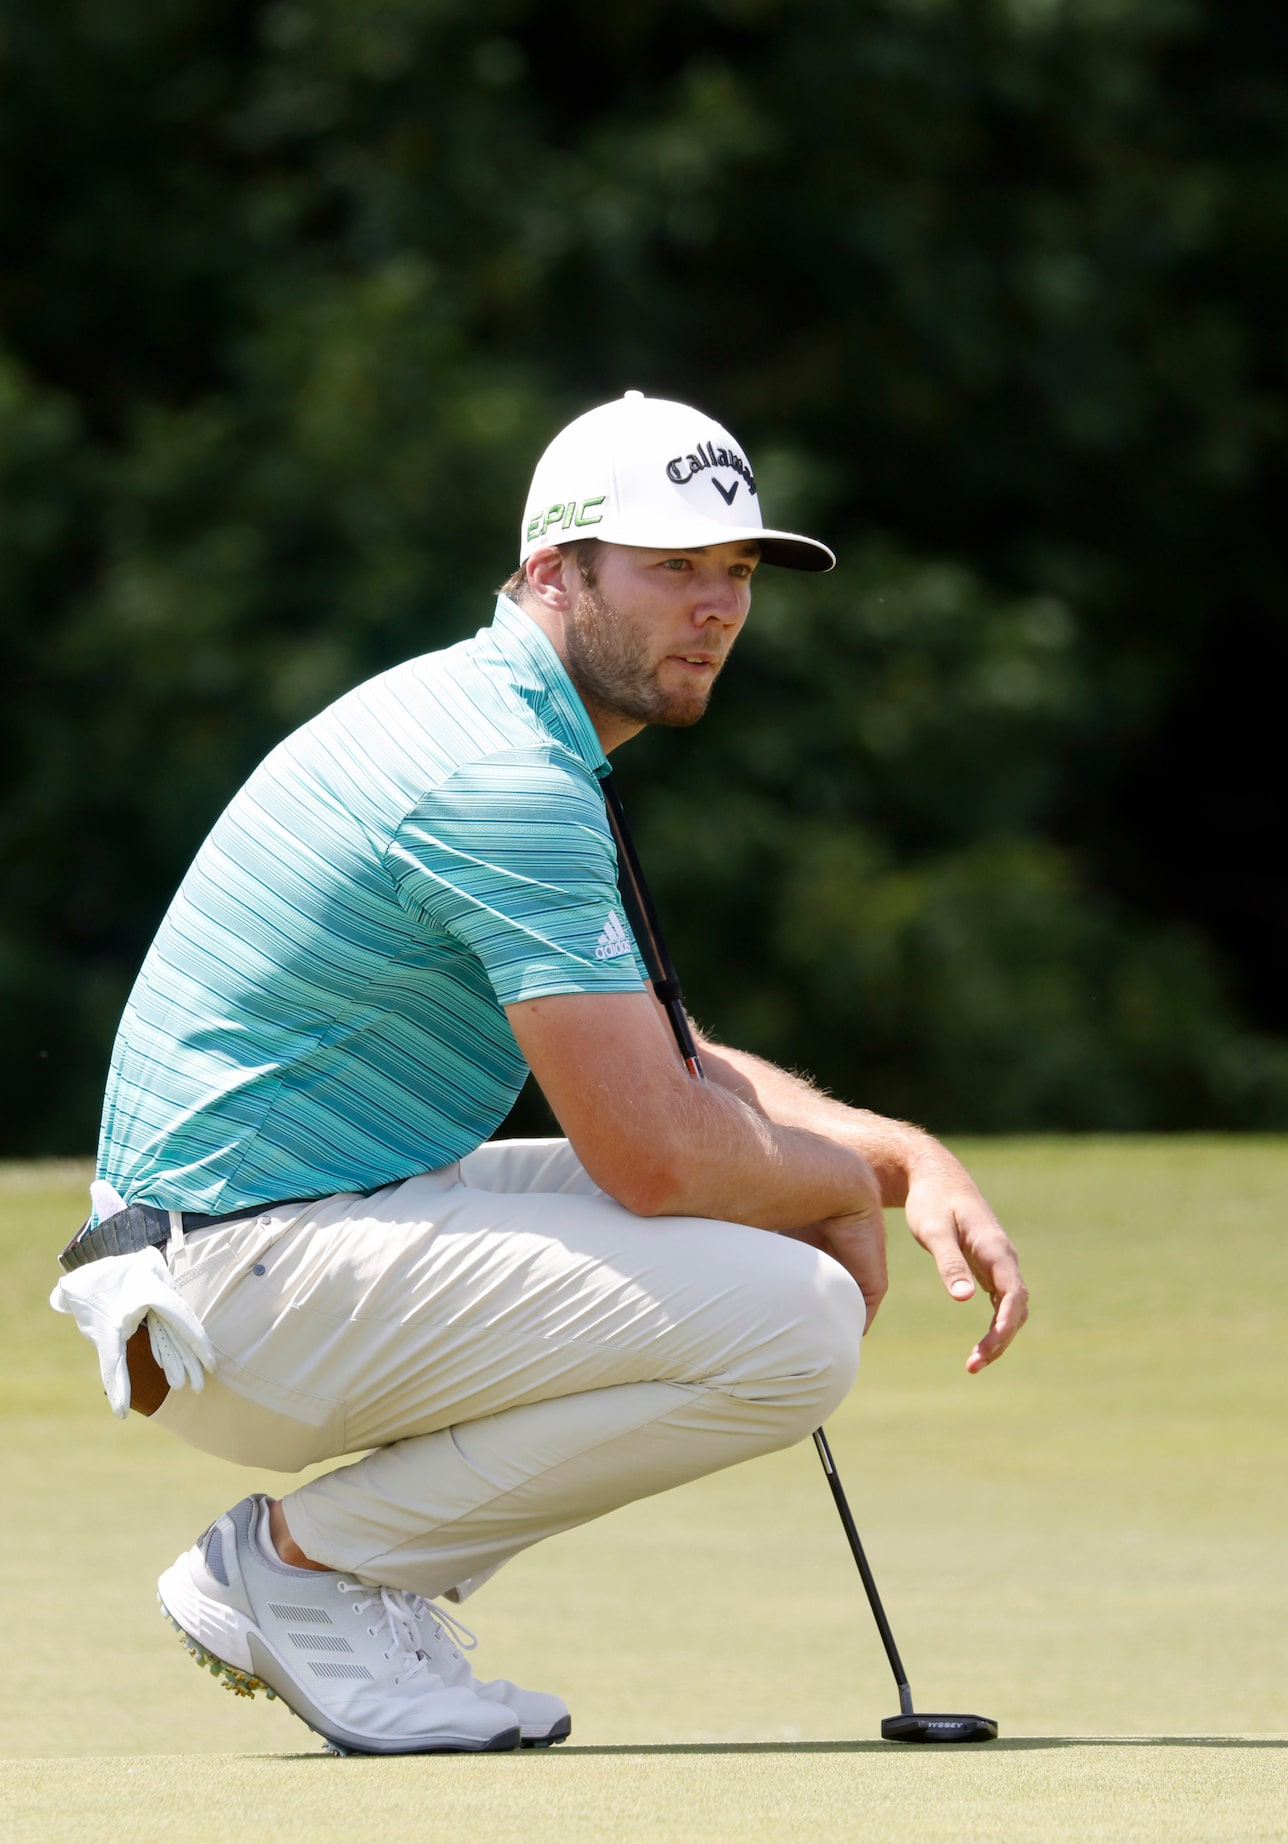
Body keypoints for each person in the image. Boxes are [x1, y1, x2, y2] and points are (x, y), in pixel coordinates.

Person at [53, 391, 1028, 1758]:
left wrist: (886, 1152)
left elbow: (664, 1060)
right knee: (795, 1317)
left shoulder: (495, 724)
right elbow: (656, 1151)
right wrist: (831, 1194)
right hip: (238, 1289)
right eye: (673, 566)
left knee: (763, 1240)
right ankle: (307, 1566)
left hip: (256, 1250)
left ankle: (325, 1570)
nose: (718, 605)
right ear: (553, 572)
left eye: (736, 571)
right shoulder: (501, 773)